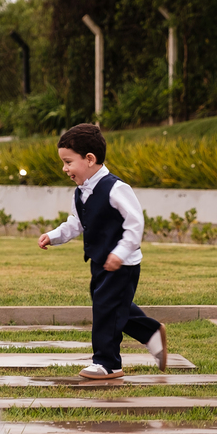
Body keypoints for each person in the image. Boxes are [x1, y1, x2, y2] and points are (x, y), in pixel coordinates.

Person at [38, 123, 167, 380]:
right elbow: (76, 223)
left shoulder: (116, 188)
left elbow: (135, 223)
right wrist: (54, 236)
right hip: (100, 260)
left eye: (68, 162)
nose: (64, 169)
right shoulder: (81, 192)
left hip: (123, 262)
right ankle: (151, 332)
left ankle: (108, 363)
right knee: (112, 305)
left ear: (89, 159)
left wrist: (120, 252)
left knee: (106, 308)